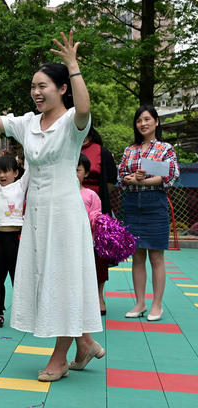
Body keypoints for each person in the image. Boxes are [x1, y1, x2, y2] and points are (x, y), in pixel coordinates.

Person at [0, 31, 104, 381]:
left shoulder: (73, 123)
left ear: (61, 89)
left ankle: (59, 359)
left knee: (62, 279)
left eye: (43, 85)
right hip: (38, 214)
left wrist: (73, 65)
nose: (36, 91)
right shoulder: (28, 123)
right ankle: (84, 341)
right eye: (33, 86)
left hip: (65, 213)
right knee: (48, 278)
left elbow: (86, 108)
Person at [118, 105, 179, 321]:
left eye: (147, 119)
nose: (143, 124)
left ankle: (157, 305)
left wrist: (143, 179)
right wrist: (129, 179)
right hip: (133, 204)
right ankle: (140, 303)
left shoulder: (165, 149)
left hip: (155, 204)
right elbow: (121, 173)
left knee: (156, 257)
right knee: (137, 256)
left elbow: (171, 175)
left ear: (156, 122)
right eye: (139, 120)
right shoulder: (130, 149)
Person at [0, 150, 29, 328]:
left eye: (6, 171)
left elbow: (31, 165)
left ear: (16, 173)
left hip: (16, 238)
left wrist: (30, 144)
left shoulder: (21, 186)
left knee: (19, 277)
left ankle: (23, 313)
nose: (2, 175)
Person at [81, 126, 117, 314]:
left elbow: (110, 180)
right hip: (68, 203)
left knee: (98, 254)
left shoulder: (101, 151)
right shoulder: (67, 145)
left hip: (95, 207)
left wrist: (95, 200)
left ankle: (99, 296)